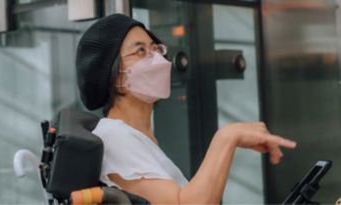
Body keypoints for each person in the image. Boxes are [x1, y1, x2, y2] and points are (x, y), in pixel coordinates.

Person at [75, 14, 297, 204]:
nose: (158, 60)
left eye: (155, 48)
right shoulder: (114, 136)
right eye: (140, 51)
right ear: (112, 75)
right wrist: (228, 136)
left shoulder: (138, 138)